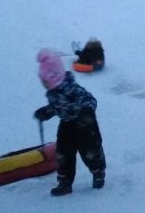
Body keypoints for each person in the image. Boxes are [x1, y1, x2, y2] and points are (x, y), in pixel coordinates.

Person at [34, 50, 106, 196]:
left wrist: (83, 111)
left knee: (90, 151)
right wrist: (46, 112)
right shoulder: (54, 91)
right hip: (67, 124)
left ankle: (98, 172)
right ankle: (65, 183)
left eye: (44, 80)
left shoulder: (72, 89)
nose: (43, 83)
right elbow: (58, 106)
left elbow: (91, 100)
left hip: (85, 124)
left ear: (54, 78)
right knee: (63, 151)